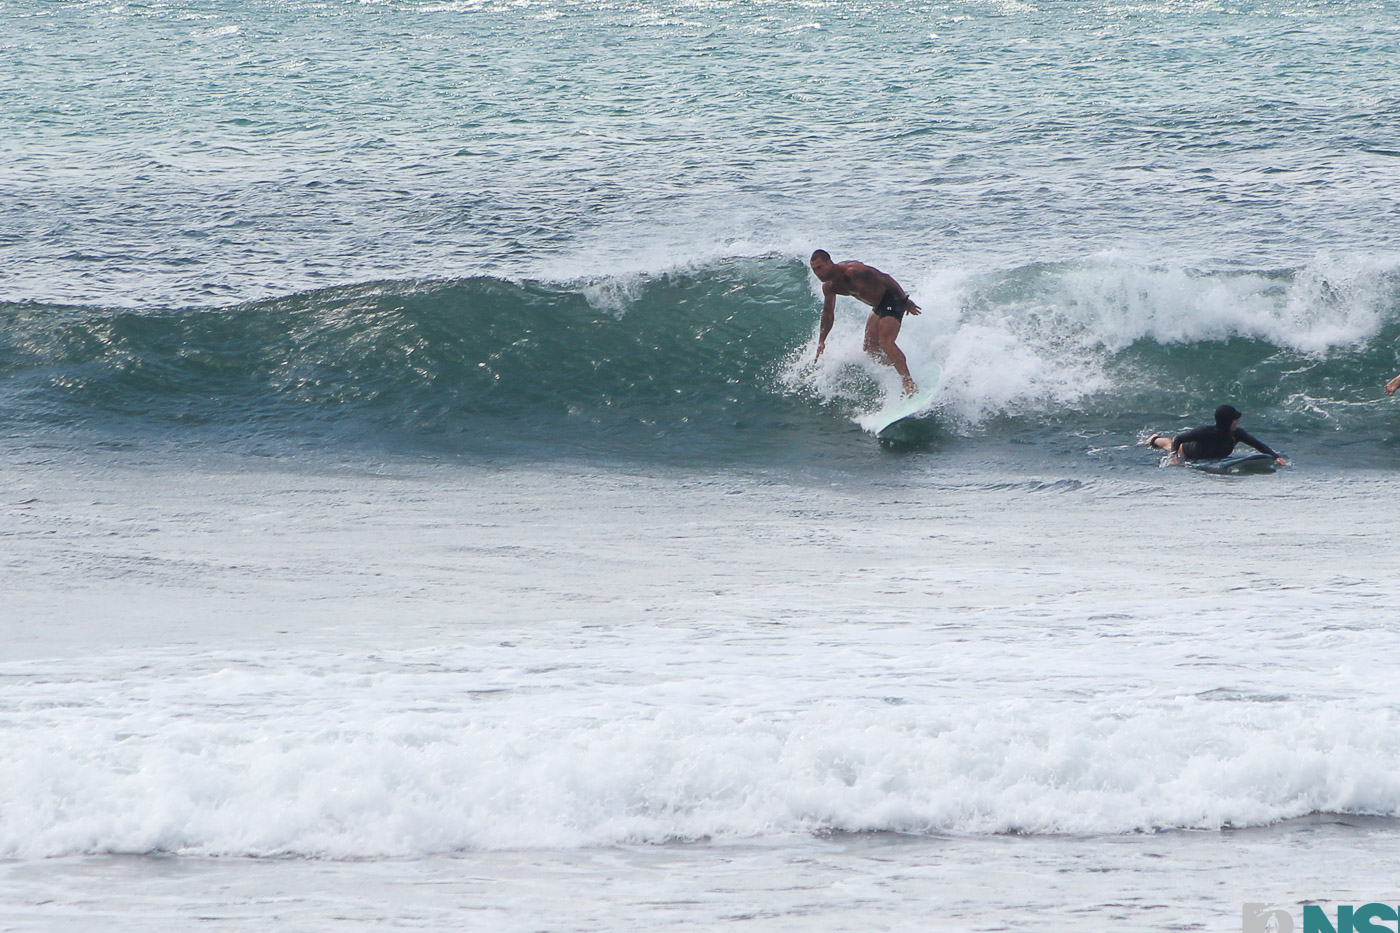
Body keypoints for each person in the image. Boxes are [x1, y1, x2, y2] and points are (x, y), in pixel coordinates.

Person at [809, 249, 921, 395]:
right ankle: (900, 367)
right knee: (870, 349)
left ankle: (909, 383)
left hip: (892, 298)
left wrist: (905, 301)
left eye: (820, 267)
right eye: (814, 270)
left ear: (829, 262)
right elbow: (828, 313)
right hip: (879, 306)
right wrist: (822, 340)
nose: (818, 273)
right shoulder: (830, 287)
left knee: (885, 341)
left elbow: (885, 278)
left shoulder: (853, 271)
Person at [1144, 404, 1289, 466]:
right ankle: (1154, 439)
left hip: (1211, 455)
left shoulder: (1237, 434)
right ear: (1227, 421)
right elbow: (1179, 438)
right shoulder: (1206, 432)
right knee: (1169, 445)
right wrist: (1175, 457)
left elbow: (1258, 445)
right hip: (1189, 451)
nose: (1238, 421)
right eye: (1235, 419)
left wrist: (1276, 456)